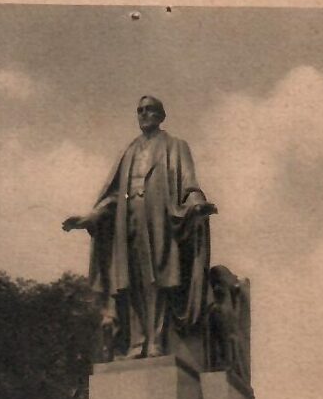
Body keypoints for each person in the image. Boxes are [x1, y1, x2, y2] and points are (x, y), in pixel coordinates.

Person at [63, 96, 217, 359]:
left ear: (160, 115)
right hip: (129, 224)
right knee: (130, 281)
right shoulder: (129, 152)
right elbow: (112, 196)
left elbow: (189, 185)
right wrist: (92, 217)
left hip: (159, 222)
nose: (144, 114)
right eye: (140, 111)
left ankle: (156, 340)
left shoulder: (175, 146)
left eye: (149, 110)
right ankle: (137, 341)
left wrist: (197, 204)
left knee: (155, 279)